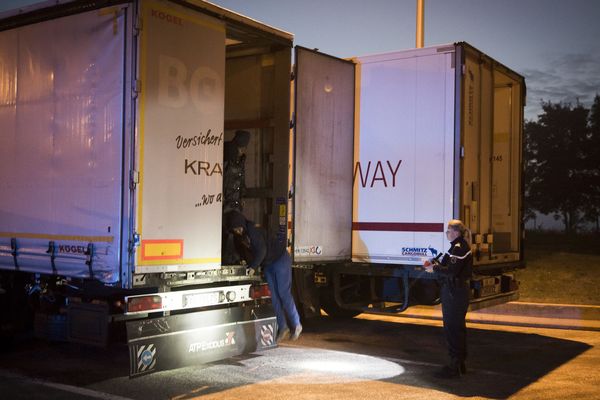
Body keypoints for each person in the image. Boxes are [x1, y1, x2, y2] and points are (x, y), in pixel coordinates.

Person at [224, 210, 302, 342]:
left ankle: (296, 324)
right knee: (275, 297)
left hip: (280, 259)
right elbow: (248, 253)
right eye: (234, 229)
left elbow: (262, 250)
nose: (237, 231)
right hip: (268, 264)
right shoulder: (241, 236)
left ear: (242, 223)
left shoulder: (253, 230)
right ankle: (283, 327)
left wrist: (253, 267)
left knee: (283, 293)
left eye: (238, 227)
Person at [424, 219, 473, 378]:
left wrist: (434, 268)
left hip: (455, 291)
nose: (447, 234)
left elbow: (451, 271)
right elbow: (445, 264)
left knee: (452, 328)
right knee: (456, 327)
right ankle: (459, 363)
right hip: (454, 290)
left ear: (456, 232)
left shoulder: (459, 248)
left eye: (448, 231)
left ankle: (455, 366)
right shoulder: (455, 247)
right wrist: (434, 264)